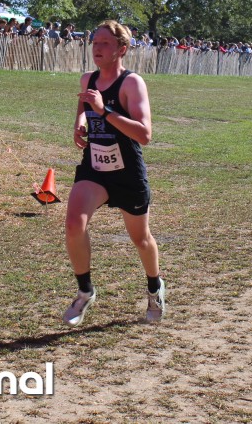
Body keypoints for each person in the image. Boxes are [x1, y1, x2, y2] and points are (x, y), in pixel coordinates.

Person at [63, 19, 164, 326]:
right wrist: (80, 123)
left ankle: (155, 288)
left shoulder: (132, 83)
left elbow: (144, 134)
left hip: (127, 172)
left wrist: (104, 111)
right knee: (73, 224)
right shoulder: (88, 79)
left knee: (141, 239)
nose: (97, 48)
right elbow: (84, 108)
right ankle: (85, 291)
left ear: (122, 49)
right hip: (95, 167)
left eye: (105, 43)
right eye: (95, 42)